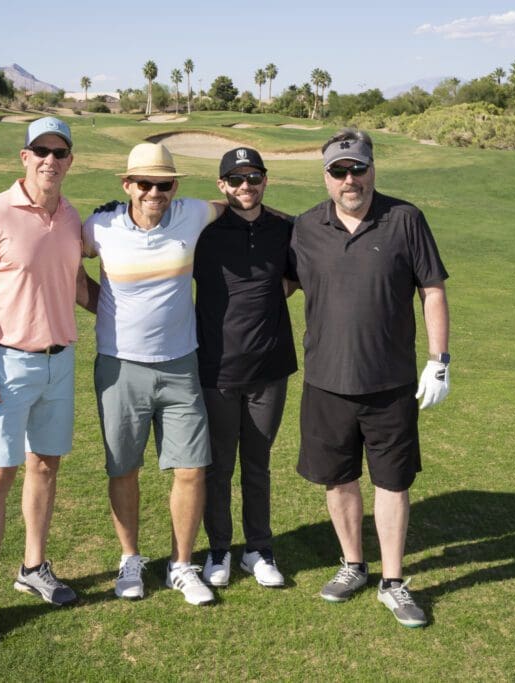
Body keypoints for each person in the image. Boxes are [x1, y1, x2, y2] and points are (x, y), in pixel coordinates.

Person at [287, 127, 450, 628]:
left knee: (392, 483)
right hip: (325, 380)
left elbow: (432, 291)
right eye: (338, 171)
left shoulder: (405, 219)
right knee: (338, 479)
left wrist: (439, 360)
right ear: (325, 176)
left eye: (357, 168)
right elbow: (277, 285)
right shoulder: (305, 227)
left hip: (390, 383)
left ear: (372, 168)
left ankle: (393, 582)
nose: (349, 179)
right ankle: (353, 565)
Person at [0, 117, 84, 645]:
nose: (51, 160)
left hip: (60, 362)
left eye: (60, 152)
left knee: (45, 465)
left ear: (70, 160)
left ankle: (33, 567)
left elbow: (77, 285)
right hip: (6, 366)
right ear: (24, 157)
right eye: (41, 151)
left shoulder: (70, 218)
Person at [82, 142, 225, 606]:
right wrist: (103, 307)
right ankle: (130, 559)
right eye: (144, 184)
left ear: (174, 187)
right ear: (127, 185)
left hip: (181, 365)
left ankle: (181, 565)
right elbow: (61, 252)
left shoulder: (193, 213)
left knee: (191, 469)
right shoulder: (99, 226)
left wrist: (302, 222)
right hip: (120, 367)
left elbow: (239, 204)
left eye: (164, 184)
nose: (154, 193)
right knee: (124, 468)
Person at [194, 147, 297, 589]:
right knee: (218, 466)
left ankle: (258, 549)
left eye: (254, 177)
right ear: (222, 184)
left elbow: (295, 278)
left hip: (270, 368)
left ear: (265, 180)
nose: (245, 186)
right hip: (216, 368)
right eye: (235, 180)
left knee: (258, 464)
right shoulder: (204, 232)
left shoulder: (284, 230)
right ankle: (219, 549)